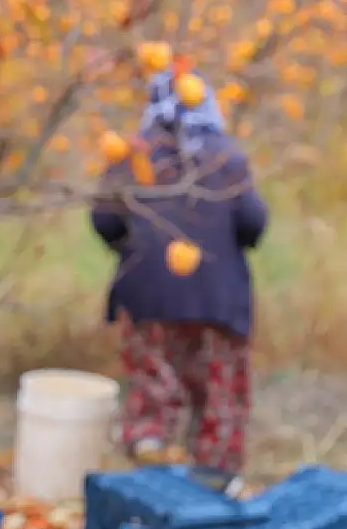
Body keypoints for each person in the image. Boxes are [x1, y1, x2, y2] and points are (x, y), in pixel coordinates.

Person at [89, 68, 268, 487]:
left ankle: (153, 459)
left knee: (156, 381)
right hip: (217, 297)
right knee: (219, 390)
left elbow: (103, 219)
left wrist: (131, 247)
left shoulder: (133, 155)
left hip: (147, 292)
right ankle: (216, 475)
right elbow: (253, 224)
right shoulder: (225, 155)